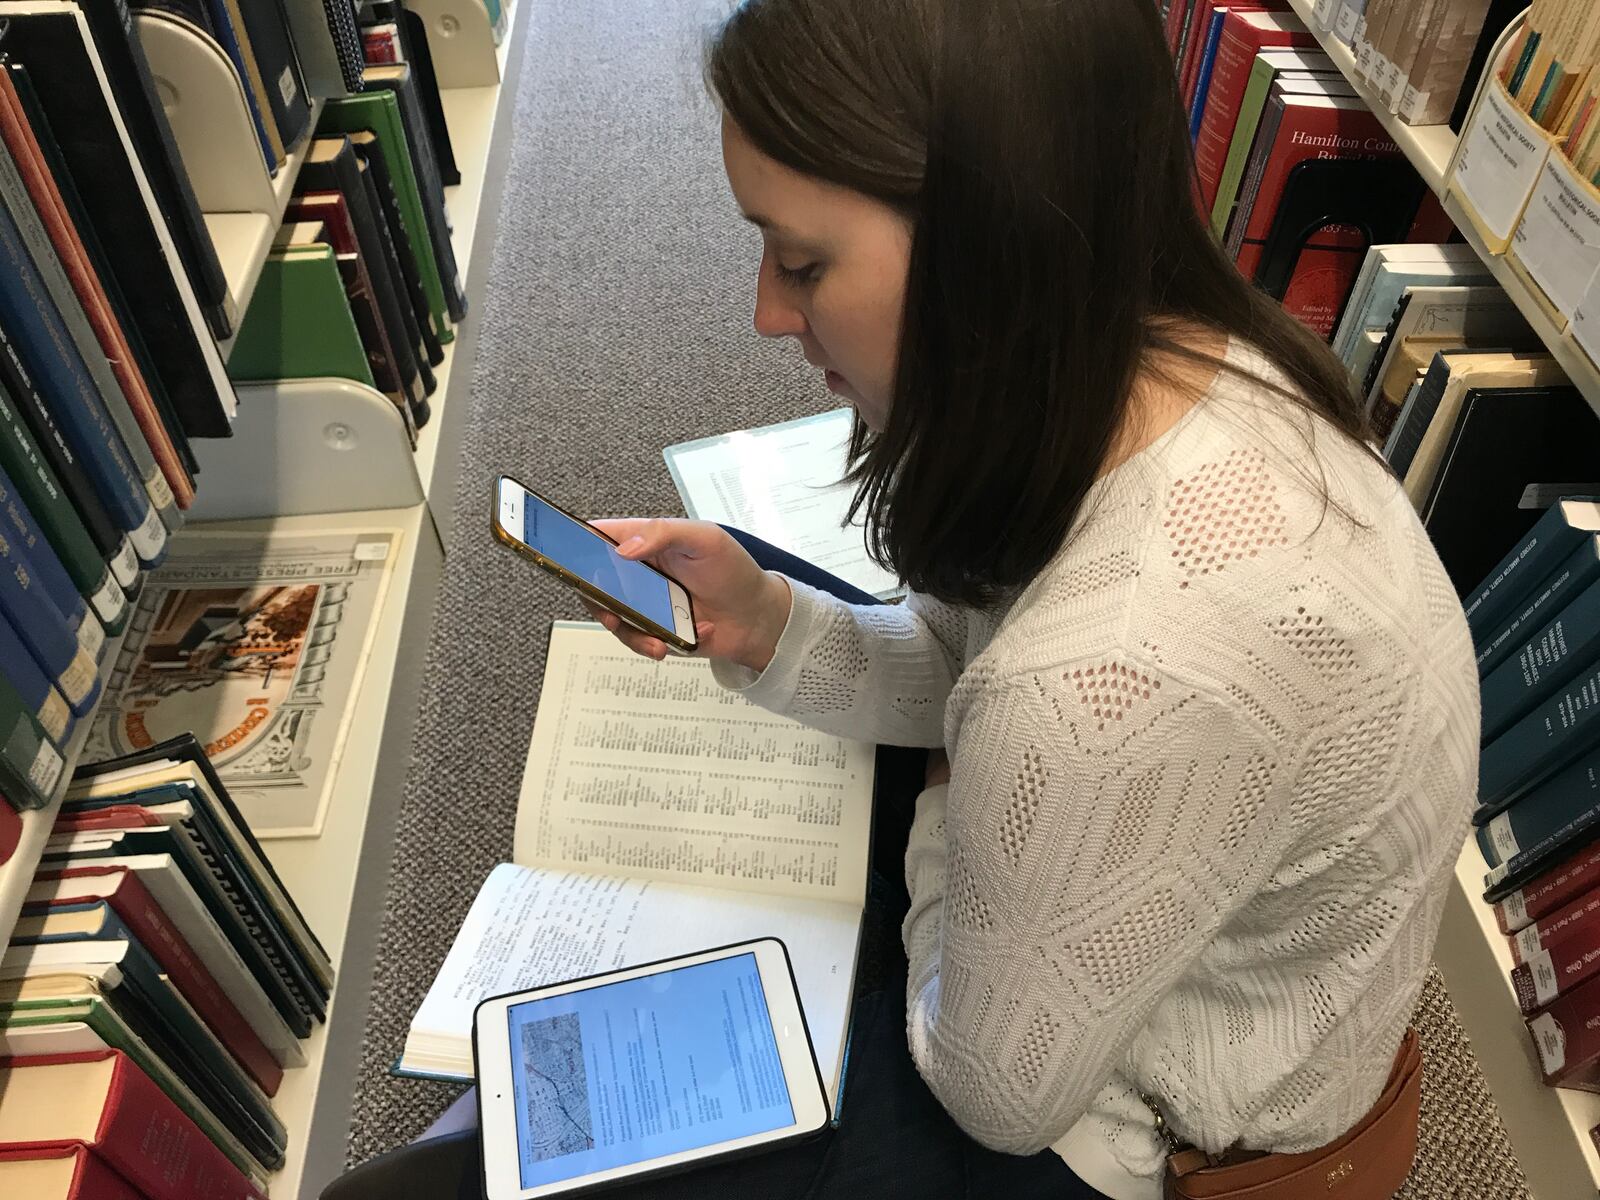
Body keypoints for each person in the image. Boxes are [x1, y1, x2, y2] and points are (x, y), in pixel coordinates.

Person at [583, 2, 1480, 1199]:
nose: (766, 312)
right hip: (1147, 883)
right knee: (757, 565)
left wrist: (949, 807)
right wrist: (771, 622)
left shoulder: (1096, 679)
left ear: (987, 242)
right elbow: (972, 652)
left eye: (801, 263)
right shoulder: (1171, 350)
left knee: (652, 1136)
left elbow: (994, 1097)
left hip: (1151, 1140)